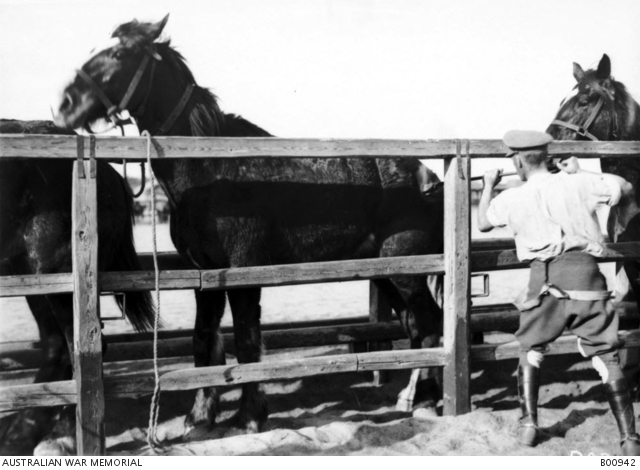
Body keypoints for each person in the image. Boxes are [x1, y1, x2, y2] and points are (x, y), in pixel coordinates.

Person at [478, 130, 640, 455]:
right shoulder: (578, 182)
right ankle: (630, 439)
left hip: (543, 281)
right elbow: (624, 187)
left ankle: (528, 426)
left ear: (518, 160)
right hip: (586, 277)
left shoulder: (511, 196)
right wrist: (580, 172)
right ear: (547, 155)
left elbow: (482, 222)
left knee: (531, 349)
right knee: (605, 354)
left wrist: (487, 186)